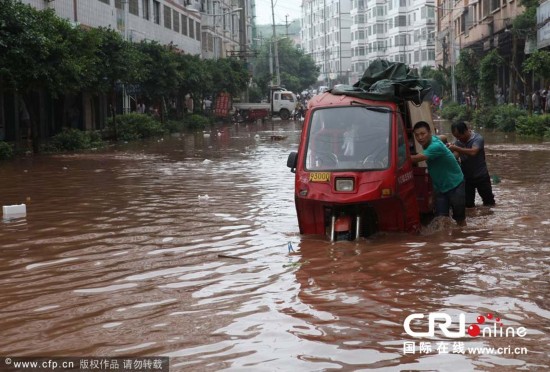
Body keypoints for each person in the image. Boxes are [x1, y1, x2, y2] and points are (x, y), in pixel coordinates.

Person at [411, 121, 466, 226]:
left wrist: (394, 157)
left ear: (430, 133)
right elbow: (443, 137)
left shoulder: (435, 146)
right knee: (441, 219)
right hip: (440, 187)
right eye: (417, 135)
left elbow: (417, 158)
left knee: (460, 220)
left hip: (455, 184)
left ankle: (462, 238)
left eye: (423, 134)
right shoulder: (433, 140)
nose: (420, 138)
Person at [448, 121, 495, 208]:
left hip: (481, 175)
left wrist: (456, 148)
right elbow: (456, 156)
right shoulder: (458, 142)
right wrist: (449, 151)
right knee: (468, 205)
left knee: (489, 203)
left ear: (466, 131)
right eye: (456, 137)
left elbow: (474, 152)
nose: (458, 138)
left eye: (459, 136)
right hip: (466, 177)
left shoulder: (478, 138)